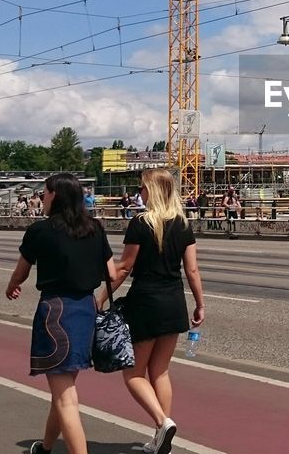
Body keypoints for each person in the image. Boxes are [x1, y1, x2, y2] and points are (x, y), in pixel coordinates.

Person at [6, 173, 115, 454]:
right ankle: (45, 447)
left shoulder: (40, 231)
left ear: (54, 194)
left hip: (56, 312)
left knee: (66, 397)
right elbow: (112, 273)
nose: (42, 197)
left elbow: (21, 271)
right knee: (63, 388)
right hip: (86, 310)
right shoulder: (95, 228)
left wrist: (13, 285)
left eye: (44, 192)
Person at [100, 168, 205, 454]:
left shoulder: (140, 223)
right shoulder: (183, 224)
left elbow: (124, 268)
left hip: (146, 303)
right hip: (174, 302)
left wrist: (99, 300)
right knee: (160, 372)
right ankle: (161, 441)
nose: (139, 193)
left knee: (133, 374)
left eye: (142, 188)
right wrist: (200, 304)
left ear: (153, 191)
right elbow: (192, 270)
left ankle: (163, 422)